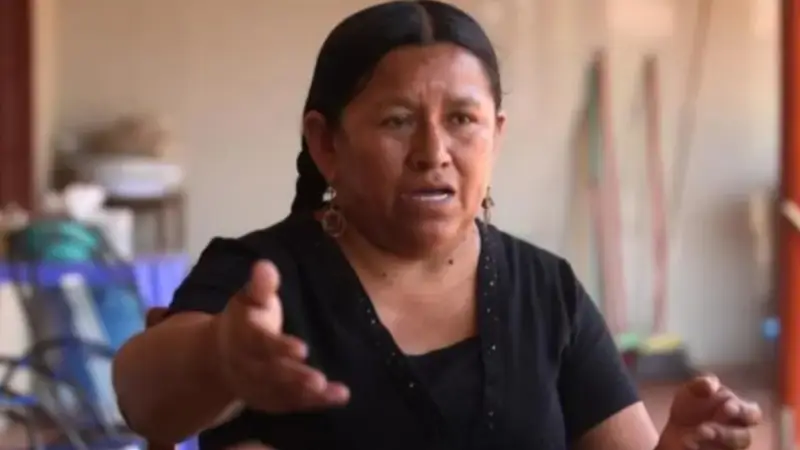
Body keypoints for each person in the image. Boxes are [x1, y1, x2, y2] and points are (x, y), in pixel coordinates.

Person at [112, 2, 762, 449]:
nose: (433, 152)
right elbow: (143, 402)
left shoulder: (546, 290)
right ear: (327, 142)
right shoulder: (263, 283)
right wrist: (219, 360)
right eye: (397, 120)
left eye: (462, 120)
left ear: (495, 135)